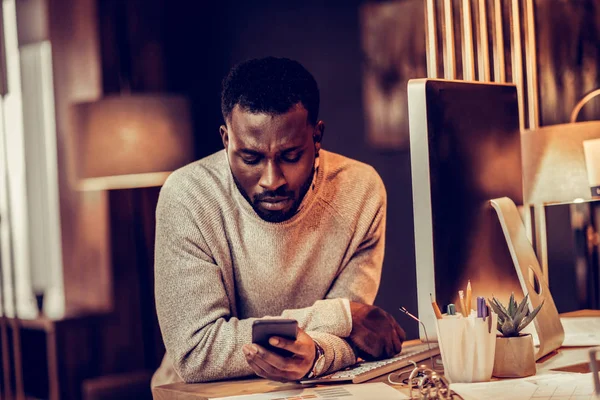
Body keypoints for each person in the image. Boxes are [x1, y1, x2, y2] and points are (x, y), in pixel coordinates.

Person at [151, 56, 406, 387]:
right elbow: (197, 352)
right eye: (251, 158)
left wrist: (317, 353)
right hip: (197, 395)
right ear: (226, 140)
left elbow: (356, 338)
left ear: (317, 138)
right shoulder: (187, 196)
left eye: (290, 156)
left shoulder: (360, 191)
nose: (271, 180)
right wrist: (344, 317)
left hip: (303, 391)